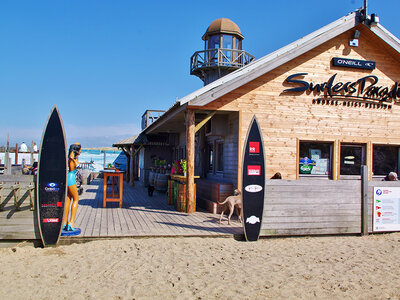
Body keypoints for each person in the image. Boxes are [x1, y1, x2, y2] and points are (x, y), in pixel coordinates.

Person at [63, 143, 81, 232]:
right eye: (80, 149)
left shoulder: (71, 159)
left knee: (68, 199)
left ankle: (64, 222)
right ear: (76, 150)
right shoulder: (73, 160)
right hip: (72, 179)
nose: (81, 151)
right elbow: (72, 159)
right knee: (76, 199)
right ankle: (71, 222)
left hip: (68, 177)